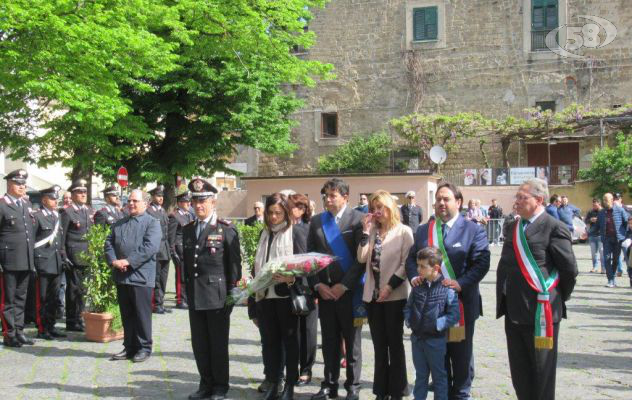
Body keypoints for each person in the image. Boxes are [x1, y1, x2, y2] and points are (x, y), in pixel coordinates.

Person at [405, 181, 490, 400]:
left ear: (459, 202)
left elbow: (481, 263)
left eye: (446, 199)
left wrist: (461, 283)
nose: (441, 203)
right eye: (438, 199)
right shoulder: (424, 230)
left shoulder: (473, 230)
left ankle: (461, 394)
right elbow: (411, 259)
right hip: (430, 310)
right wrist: (415, 276)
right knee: (438, 362)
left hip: (460, 306)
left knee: (461, 359)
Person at [496, 178, 578, 400]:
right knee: (520, 373)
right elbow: (505, 264)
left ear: (539, 200)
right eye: (517, 197)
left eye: (522, 197)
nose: (517, 202)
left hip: (542, 312)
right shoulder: (514, 226)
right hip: (513, 311)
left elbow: (569, 269)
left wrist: (557, 298)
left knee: (542, 374)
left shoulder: (554, 227)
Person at [183, 178, 241, 400]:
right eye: (195, 201)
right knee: (200, 344)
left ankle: (220, 386)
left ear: (213, 201)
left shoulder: (226, 229)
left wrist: (232, 294)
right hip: (196, 296)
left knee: (217, 344)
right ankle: (205, 384)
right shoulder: (188, 229)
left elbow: (234, 266)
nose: (199, 206)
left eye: (203, 201)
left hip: (217, 298)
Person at [308, 178, 365, 400]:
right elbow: (310, 257)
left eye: (333, 196)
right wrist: (317, 284)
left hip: (350, 294)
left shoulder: (359, 220)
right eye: (326, 196)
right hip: (325, 292)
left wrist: (344, 285)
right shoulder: (316, 222)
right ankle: (329, 385)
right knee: (329, 342)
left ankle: (353, 387)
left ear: (345, 197)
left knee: (352, 344)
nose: (328, 200)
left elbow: (362, 260)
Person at [252, 193, 308, 400]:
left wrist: (290, 278)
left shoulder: (295, 232)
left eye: (278, 213)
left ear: (286, 212)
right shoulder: (264, 233)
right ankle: (274, 382)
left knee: (290, 342)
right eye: (270, 213)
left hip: (287, 296)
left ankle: (290, 386)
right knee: (270, 342)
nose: (274, 217)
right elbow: (257, 264)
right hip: (265, 295)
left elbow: (306, 268)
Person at [358, 190, 413, 400]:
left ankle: (398, 390)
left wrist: (389, 287)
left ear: (390, 208)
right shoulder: (372, 232)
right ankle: (381, 391)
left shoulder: (403, 231)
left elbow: (406, 264)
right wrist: (364, 232)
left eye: (380, 208)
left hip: (394, 296)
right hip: (372, 297)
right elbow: (362, 258)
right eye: (373, 209)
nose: (376, 212)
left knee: (395, 345)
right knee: (379, 345)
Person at [105, 189, 161, 363]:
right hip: (122, 276)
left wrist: (128, 261)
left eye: (135, 201)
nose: (131, 204)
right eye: (129, 201)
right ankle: (129, 346)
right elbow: (108, 243)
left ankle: (144, 347)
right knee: (127, 314)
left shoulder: (152, 223)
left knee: (141, 314)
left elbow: (149, 247)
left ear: (145, 203)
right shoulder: (119, 223)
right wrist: (114, 260)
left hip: (140, 276)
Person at [405, 247, 460, 400]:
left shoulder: (447, 288)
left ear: (435, 268)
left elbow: (454, 315)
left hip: (435, 341)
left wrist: (437, 324)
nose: (418, 269)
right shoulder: (417, 287)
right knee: (420, 376)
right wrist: (409, 321)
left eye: (422, 266)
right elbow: (408, 307)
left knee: (439, 377)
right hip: (417, 339)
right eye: (418, 265)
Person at [0, 169, 36, 347]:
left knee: (21, 298)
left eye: (24, 184)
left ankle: (19, 331)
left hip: (25, 259)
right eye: (18, 183)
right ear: (9, 184)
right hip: (8, 260)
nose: (22, 186)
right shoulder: (2, 205)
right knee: (8, 300)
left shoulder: (26, 205)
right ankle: (9, 334)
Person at [288, 194, 317, 387]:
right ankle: (289, 368)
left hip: (306, 285)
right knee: (290, 330)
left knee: (307, 330)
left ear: (302, 209)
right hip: (284, 284)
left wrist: (315, 288)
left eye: (292, 207)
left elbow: (315, 260)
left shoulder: (309, 229)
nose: (288, 210)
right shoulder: (282, 229)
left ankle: (306, 369)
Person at [32, 185, 67, 341]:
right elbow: (32, 241)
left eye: (56, 199)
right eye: (52, 199)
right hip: (43, 263)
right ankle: (42, 328)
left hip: (56, 263)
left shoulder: (56, 216)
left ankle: (51, 326)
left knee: (53, 298)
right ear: (44, 200)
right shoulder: (37, 217)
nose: (55, 201)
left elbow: (59, 241)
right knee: (42, 298)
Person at [60, 178, 94, 332]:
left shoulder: (87, 210)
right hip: (73, 256)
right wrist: (64, 255)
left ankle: (79, 317)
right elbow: (62, 236)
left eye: (84, 192)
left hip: (86, 255)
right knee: (73, 289)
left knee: (82, 290)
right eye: (79, 192)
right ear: (72, 194)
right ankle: (71, 321)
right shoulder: (67, 212)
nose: (83, 194)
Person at [146, 185, 171, 314]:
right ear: (152, 197)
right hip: (156, 249)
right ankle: (155, 304)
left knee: (163, 278)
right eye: (158, 196)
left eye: (161, 196)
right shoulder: (149, 211)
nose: (160, 198)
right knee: (156, 278)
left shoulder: (162, 211)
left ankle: (161, 302)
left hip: (165, 248)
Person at [168, 191, 194, 309]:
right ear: (179, 203)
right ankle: (180, 299)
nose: (188, 203)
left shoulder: (189, 215)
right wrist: (173, 253)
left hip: (188, 249)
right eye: (185, 202)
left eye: (189, 201)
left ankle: (186, 297)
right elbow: (171, 237)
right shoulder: (174, 216)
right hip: (179, 250)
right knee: (180, 276)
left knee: (187, 275)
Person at [598, 193, 629, 288]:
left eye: (606, 199)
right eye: (604, 199)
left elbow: (626, 222)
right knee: (606, 259)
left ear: (612, 200)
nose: (604, 201)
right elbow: (597, 226)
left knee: (615, 259)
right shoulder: (601, 212)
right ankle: (610, 280)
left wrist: (625, 235)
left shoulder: (620, 210)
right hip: (606, 239)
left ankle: (613, 278)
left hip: (617, 239)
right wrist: (587, 232)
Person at [584, 198, 604, 274]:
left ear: (599, 204)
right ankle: (595, 267)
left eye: (595, 205)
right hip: (592, 235)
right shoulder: (590, 211)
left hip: (601, 235)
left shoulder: (603, 211)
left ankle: (603, 268)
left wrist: (598, 219)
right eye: (593, 205)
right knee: (593, 253)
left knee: (602, 253)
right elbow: (586, 221)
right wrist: (590, 220)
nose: (594, 206)